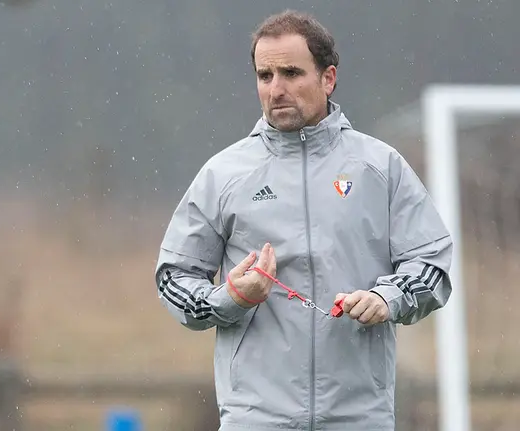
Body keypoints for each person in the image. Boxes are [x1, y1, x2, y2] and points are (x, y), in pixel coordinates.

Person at [154, 9, 452, 431]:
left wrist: (387, 298)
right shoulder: (223, 174)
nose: (276, 89)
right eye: (265, 76)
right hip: (256, 420)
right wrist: (230, 297)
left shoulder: (380, 167)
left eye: (291, 73)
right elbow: (174, 277)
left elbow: (432, 264)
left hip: (359, 419)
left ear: (328, 78)